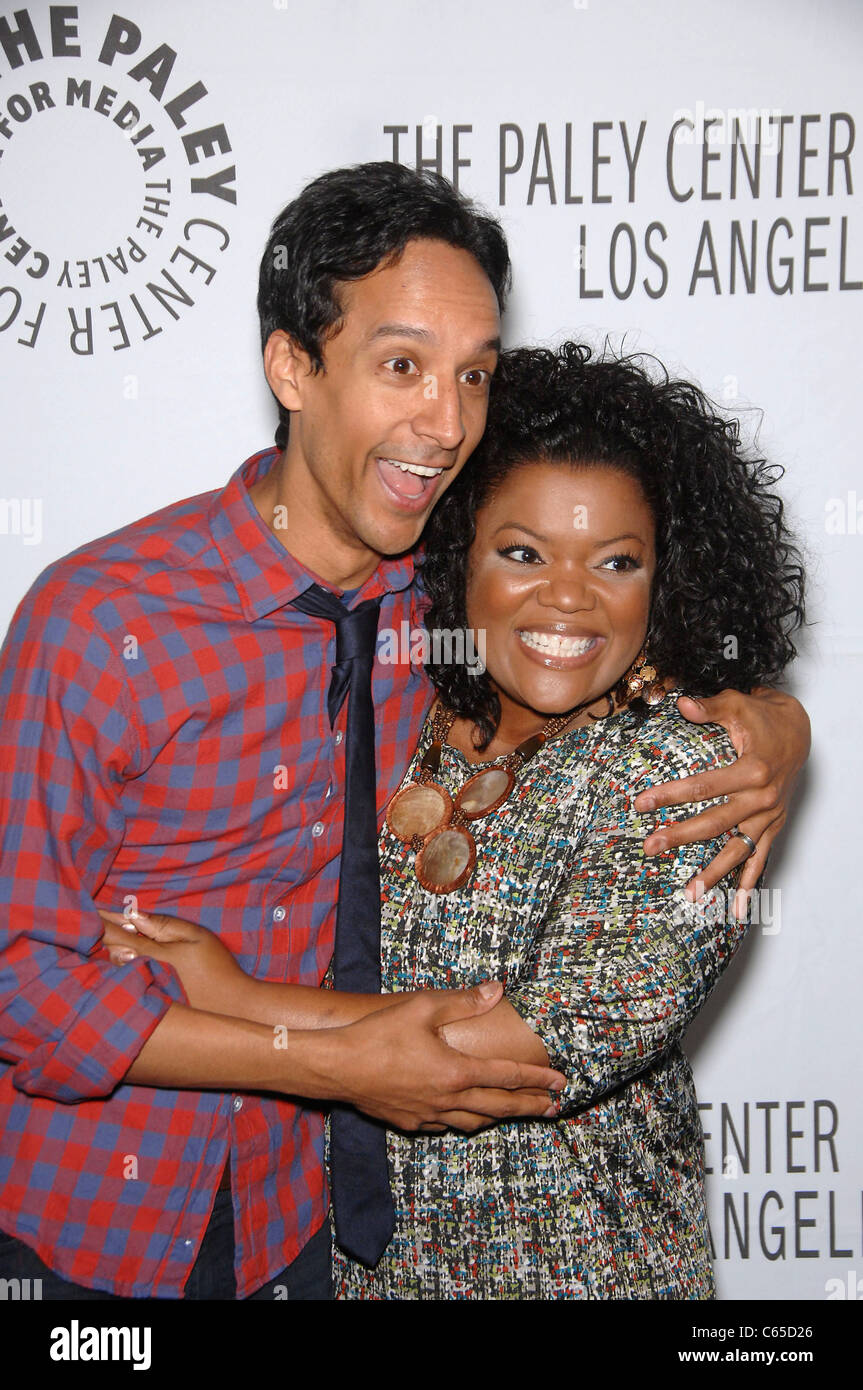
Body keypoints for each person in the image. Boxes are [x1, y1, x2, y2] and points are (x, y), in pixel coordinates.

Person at [0, 163, 808, 1300]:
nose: (445, 422)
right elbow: (17, 980)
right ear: (292, 365)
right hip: (97, 1231)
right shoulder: (101, 619)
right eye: (401, 367)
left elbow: (603, 623)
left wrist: (775, 723)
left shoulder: (443, 618)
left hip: (305, 1232)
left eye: (473, 374)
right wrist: (331, 1058)